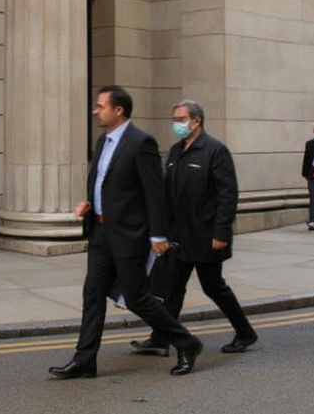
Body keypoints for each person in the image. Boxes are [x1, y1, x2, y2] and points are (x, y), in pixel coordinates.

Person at [49, 86, 204, 379]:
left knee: (136, 298)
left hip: (129, 235)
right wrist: (90, 206)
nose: (96, 110)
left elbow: (154, 193)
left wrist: (157, 235)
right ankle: (84, 360)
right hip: (101, 231)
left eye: (101, 106)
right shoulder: (102, 141)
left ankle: (187, 342)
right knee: (92, 293)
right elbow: (106, 184)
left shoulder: (140, 142)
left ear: (118, 110)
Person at [129, 100, 258, 358]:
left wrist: (222, 232)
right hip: (179, 236)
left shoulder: (215, 150)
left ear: (196, 120)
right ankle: (161, 338)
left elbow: (227, 195)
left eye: (180, 119)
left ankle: (245, 332)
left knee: (213, 287)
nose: (176, 124)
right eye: (174, 119)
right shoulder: (176, 151)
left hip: (206, 235)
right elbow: (167, 193)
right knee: (171, 288)